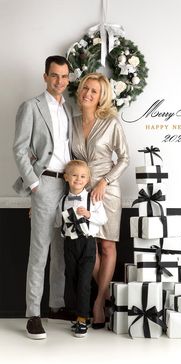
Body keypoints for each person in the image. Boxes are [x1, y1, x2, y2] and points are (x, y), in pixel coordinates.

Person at [13, 55, 73, 339]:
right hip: (45, 184)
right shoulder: (31, 107)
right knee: (39, 252)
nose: (59, 81)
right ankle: (33, 314)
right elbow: (19, 148)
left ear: (68, 78)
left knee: (61, 250)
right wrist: (35, 185)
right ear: (45, 76)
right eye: (54, 75)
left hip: (68, 186)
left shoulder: (67, 108)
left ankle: (57, 305)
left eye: (64, 76)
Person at [72, 72, 129, 328]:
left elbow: (124, 158)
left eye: (93, 91)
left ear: (101, 97)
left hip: (107, 192)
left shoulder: (111, 122)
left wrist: (105, 181)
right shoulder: (71, 122)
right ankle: (107, 295)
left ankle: (97, 303)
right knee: (88, 249)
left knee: (107, 246)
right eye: (85, 88)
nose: (87, 93)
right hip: (81, 193)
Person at [55, 160, 107, 337]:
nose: (78, 179)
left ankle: (83, 320)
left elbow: (103, 219)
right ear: (66, 178)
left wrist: (89, 214)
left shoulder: (92, 198)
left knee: (85, 281)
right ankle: (77, 315)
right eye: (74, 175)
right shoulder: (62, 200)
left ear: (88, 179)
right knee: (72, 279)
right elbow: (57, 221)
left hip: (87, 244)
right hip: (69, 244)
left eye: (83, 176)